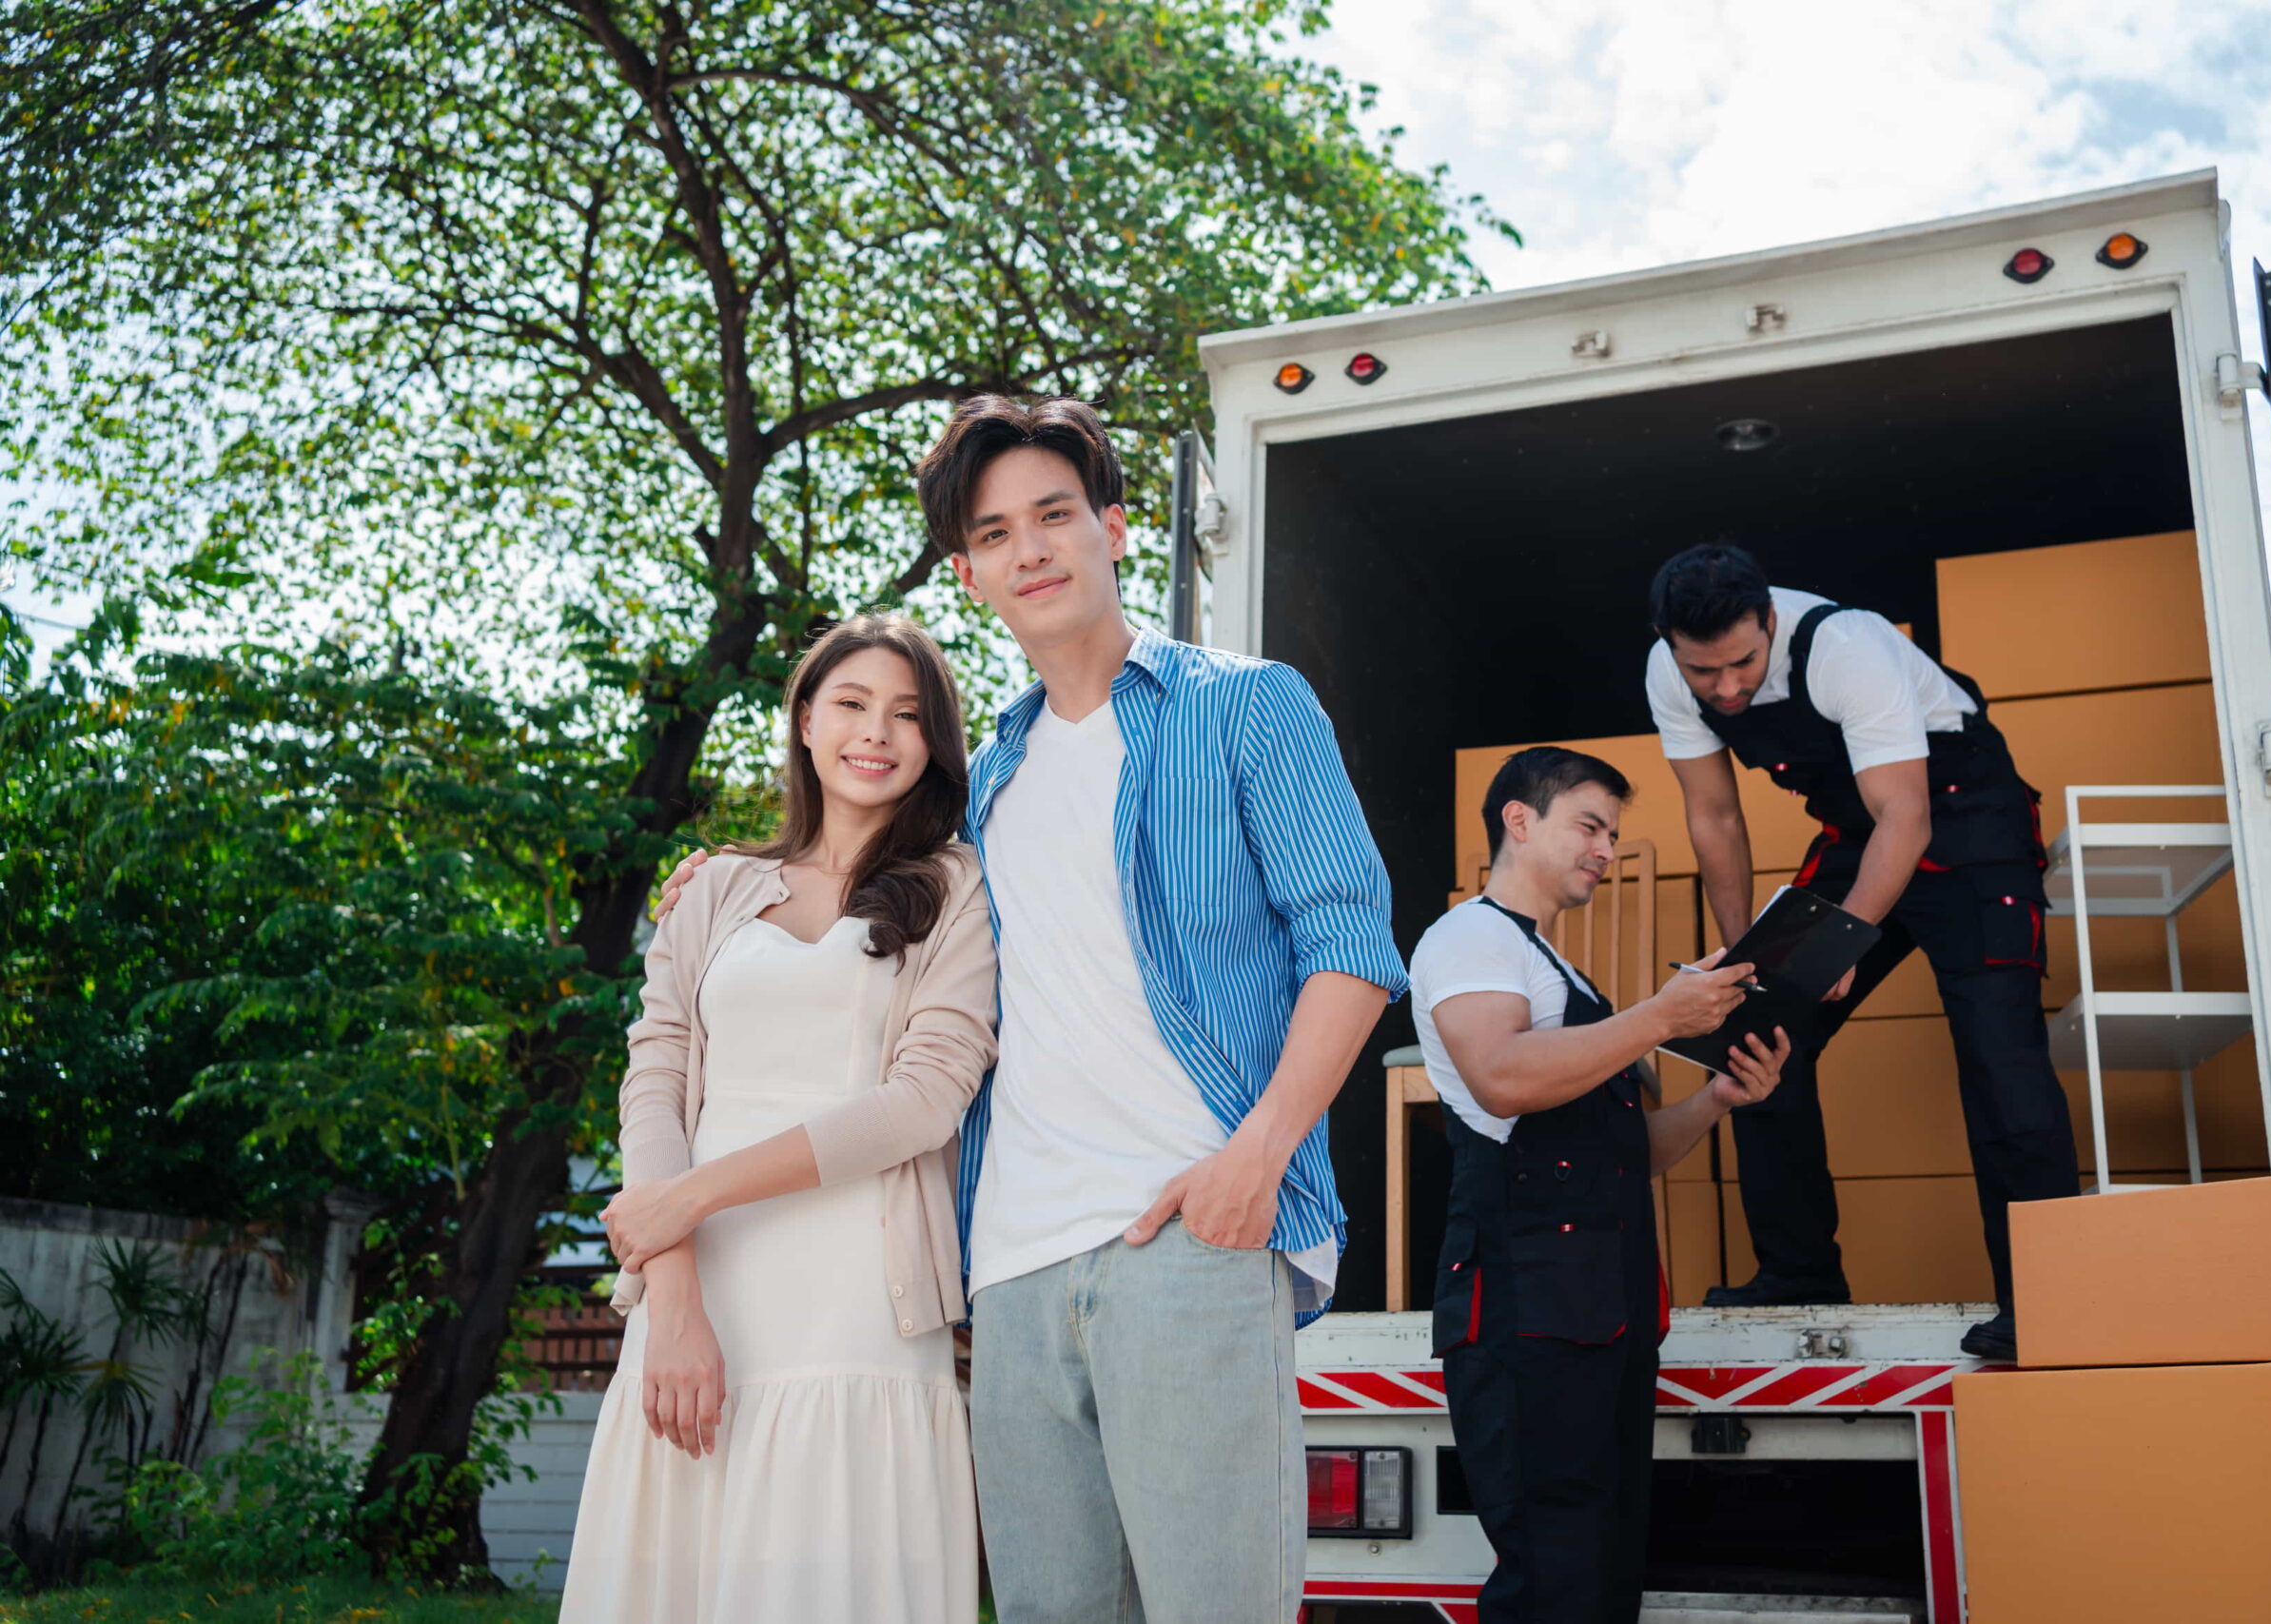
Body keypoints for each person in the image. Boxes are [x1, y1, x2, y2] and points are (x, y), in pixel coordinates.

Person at [656, 395, 1405, 1622]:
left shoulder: (1245, 705)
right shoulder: (983, 787)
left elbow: (1352, 947)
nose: (1032, 549)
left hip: (1188, 1230)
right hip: (1007, 1273)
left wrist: (1253, 1161)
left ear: (1113, 527)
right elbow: (851, 886)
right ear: (970, 573)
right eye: (997, 534)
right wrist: (722, 877)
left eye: (1055, 515)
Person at [563, 613, 998, 1623]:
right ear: (804, 719)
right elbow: (657, 1076)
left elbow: (927, 1100)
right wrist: (671, 1295)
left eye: (907, 715)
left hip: (861, 1302)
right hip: (701, 1288)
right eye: (850, 704)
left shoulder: (958, 889)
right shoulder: (712, 886)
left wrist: (687, 1198)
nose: (876, 732)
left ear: (933, 744)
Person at [1644, 542, 2080, 1360]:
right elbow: (1716, 818)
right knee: (1752, 1027)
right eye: (1706, 673)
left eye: (1742, 663)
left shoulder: (1848, 646)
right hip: (1856, 835)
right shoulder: (1668, 674)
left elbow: (1906, 817)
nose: (1729, 689)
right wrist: (1743, 956)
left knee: (1999, 1054)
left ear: (1770, 619)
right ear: (1672, 646)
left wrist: (1847, 941)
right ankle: (1799, 1271)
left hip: (1965, 827)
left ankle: (2043, 1300)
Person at [1414, 746, 1790, 1622]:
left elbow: (1626, 1151)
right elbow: (1502, 1076)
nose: (1606, 849)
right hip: (1526, 1313)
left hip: (1598, 1315)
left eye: (1612, 833)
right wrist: (1660, 1014)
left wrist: (1718, 1097)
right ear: (1519, 819)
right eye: (1589, 825)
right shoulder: (1469, 936)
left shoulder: (1561, 971)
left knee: (1603, 1575)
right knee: (1554, 1581)